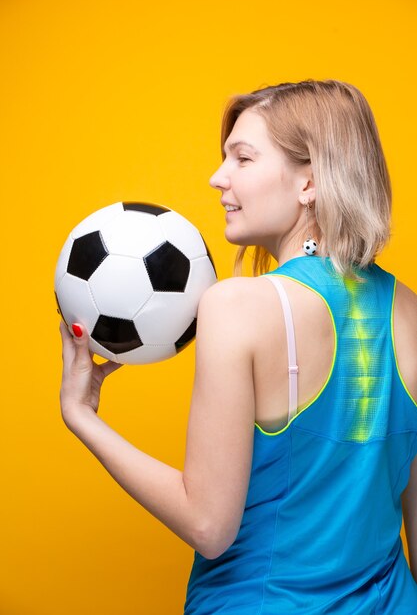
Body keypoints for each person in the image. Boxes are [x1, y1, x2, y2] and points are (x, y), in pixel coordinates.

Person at [59, 79, 417, 613]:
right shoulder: (409, 309)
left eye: (242, 159)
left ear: (310, 183)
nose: (217, 177)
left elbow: (208, 526)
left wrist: (80, 414)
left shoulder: (236, 306)